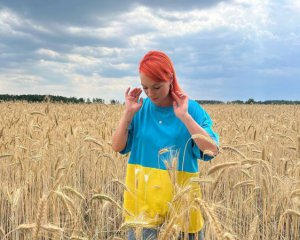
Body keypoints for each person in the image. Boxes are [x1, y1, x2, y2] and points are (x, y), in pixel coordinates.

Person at [112, 50, 219, 240]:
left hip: (183, 203)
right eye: (145, 88)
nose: (150, 93)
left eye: (157, 87)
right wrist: (128, 113)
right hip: (142, 203)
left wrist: (185, 117)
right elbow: (118, 146)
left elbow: (211, 149)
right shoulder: (140, 109)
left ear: (170, 78)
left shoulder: (191, 108)